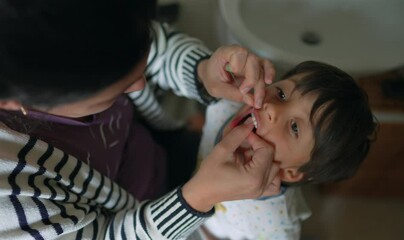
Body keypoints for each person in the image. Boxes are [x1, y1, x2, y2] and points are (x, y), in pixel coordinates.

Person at [0, 1, 280, 239]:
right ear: (13, 101)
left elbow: (152, 47)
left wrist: (202, 72)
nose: (140, 85)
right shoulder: (12, 200)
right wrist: (196, 199)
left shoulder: (92, 23)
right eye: (116, 88)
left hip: (161, 150)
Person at [196, 61, 377, 239]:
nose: (272, 108)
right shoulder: (227, 104)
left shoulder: (274, 221)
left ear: (289, 173)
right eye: (282, 93)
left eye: (295, 127)